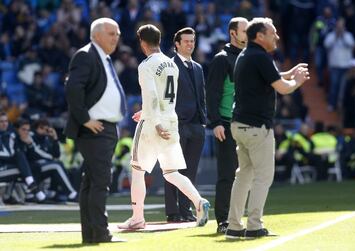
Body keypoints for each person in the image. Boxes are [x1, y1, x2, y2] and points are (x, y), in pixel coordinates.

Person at [118, 24, 210, 230]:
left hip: (154, 124)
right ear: (159, 40)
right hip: (171, 120)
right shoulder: (172, 64)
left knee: (137, 170)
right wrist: (153, 115)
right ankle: (198, 202)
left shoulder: (146, 65)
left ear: (142, 42)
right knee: (171, 172)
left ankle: (137, 217)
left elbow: (151, 96)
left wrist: (154, 120)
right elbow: (168, 98)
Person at [225, 17, 310, 239]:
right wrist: (297, 81)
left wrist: (289, 73)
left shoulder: (247, 55)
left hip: (240, 125)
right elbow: (282, 88)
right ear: (260, 36)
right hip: (256, 127)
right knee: (263, 177)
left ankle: (233, 226)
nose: (277, 36)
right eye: (273, 33)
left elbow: (271, 77)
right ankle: (254, 226)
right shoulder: (260, 57)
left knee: (243, 176)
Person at [64, 18, 127, 243]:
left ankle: (90, 235)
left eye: (118, 34)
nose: (116, 38)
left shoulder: (103, 57)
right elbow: (73, 88)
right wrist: (84, 119)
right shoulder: (86, 54)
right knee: (100, 181)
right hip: (94, 128)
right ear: (97, 35)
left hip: (105, 128)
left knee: (92, 181)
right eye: (111, 33)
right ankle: (101, 233)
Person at [206, 17, 248, 234]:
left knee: (246, 174)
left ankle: (239, 216)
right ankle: (223, 220)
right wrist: (215, 123)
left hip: (247, 125)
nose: (248, 33)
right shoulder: (222, 59)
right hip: (226, 125)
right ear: (233, 33)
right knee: (227, 174)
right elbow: (212, 93)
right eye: (245, 30)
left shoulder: (250, 57)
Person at [164, 27, 206, 223]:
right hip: (177, 125)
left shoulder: (198, 67)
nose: (190, 44)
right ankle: (173, 212)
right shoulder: (169, 66)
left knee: (190, 171)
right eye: (186, 41)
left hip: (197, 126)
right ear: (177, 44)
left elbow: (202, 96)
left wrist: (203, 121)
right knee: (173, 170)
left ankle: (186, 209)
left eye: (192, 41)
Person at [16, 119, 78, 202]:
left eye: (46, 129)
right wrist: (50, 158)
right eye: (41, 128)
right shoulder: (31, 136)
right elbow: (36, 153)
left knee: (58, 164)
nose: (44, 131)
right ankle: (72, 194)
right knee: (56, 165)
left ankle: (53, 192)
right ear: (36, 128)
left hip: (41, 166)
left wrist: (55, 139)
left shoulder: (47, 139)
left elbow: (56, 155)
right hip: (30, 167)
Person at [0, 111, 46, 203]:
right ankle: (31, 189)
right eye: (1, 121)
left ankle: (28, 190)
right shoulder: (10, 136)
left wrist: (29, 145)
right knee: (19, 158)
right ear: (17, 129)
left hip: (5, 168)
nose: (4, 124)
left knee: (34, 165)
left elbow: (34, 157)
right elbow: (8, 155)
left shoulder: (11, 135)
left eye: (6, 121)